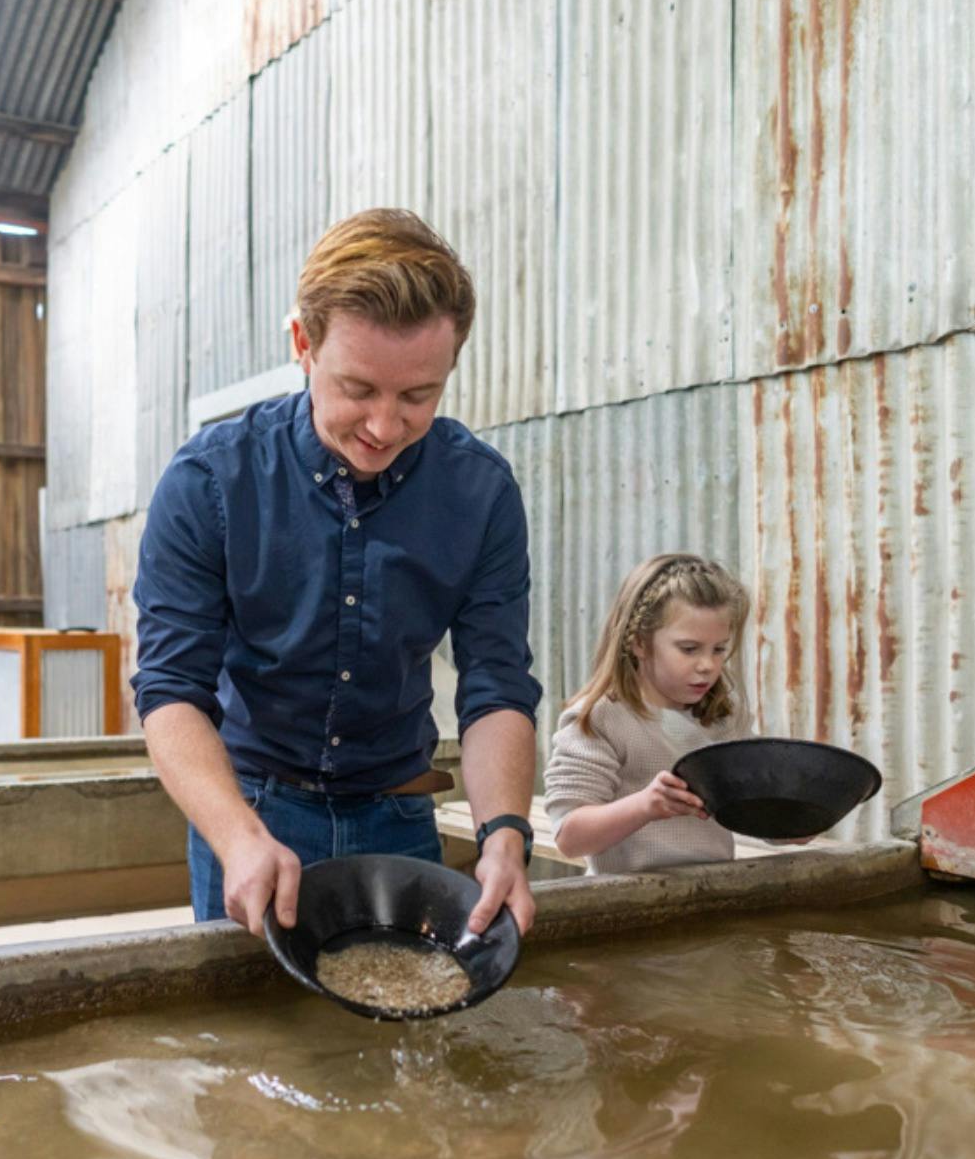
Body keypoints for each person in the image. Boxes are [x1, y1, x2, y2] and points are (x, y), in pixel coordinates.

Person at [132, 208, 542, 940]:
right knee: (254, 1043)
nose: (385, 426)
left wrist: (504, 833)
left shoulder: (481, 493)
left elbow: (498, 685)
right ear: (303, 344)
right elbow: (170, 693)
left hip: (400, 810)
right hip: (251, 812)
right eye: (358, 389)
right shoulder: (210, 482)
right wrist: (238, 838)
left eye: (418, 396)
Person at [543, 553, 783, 875]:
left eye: (719, 649)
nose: (707, 665)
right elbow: (570, 837)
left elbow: (750, 808)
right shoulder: (602, 718)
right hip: (625, 907)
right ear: (640, 642)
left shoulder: (724, 718)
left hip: (712, 900)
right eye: (689, 649)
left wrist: (794, 823)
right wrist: (645, 806)